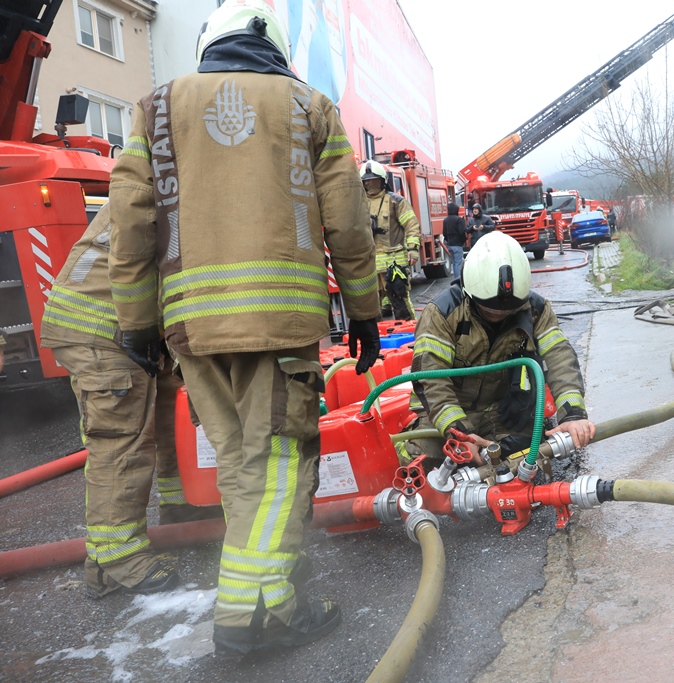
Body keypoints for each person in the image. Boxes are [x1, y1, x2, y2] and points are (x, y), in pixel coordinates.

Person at [107, 0, 381, 657]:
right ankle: (251, 613)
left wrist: (136, 322)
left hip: (191, 329)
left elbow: (130, 220)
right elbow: (347, 221)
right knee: (281, 461)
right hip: (279, 326)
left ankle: (270, 591)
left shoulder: (155, 108)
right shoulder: (308, 106)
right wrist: (364, 311)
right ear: (272, 43)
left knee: (238, 463)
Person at [38, 204, 219, 599]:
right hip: (104, 329)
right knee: (121, 442)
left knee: (169, 421)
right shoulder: (185, 186)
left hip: (137, 326)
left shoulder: (171, 181)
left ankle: (180, 510)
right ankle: (118, 560)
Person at [397, 232, 595, 471]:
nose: (499, 315)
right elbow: (431, 380)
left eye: (507, 311)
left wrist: (573, 415)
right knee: (417, 458)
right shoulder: (442, 313)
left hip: (504, 414)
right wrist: (459, 432)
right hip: (449, 414)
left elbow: (560, 359)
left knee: (531, 462)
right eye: (489, 310)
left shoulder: (536, 311)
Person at [360, 159, 420, 320]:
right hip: (370, 263)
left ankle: (409, 332)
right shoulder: (359, 203)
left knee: (400, 300)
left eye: (374, 180)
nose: (370, 183)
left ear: (383, 180)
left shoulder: (396, 201)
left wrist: (413, 249)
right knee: (371, 307)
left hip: (394, 262)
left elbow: (412, 225)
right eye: (366, 181)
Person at [442, 201, 467, 280]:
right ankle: (458, 280)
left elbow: (444, 233)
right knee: (458, 263)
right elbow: (462, 232)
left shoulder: (445, 220)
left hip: (450, 244)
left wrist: (448, 240)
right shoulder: (459, 220)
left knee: (455, 263)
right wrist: (463, 240)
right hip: (458, 244)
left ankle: (458, 278)